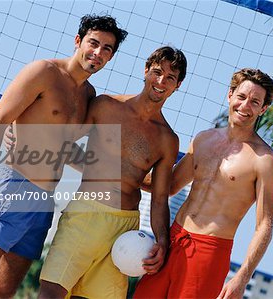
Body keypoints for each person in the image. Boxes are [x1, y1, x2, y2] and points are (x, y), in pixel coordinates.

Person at [0, 14, 127, 299]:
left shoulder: (89, 94)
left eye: (107, 49)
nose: (98, 52)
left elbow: (64, 148)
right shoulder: (43, 72)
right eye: (94, 43)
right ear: (78, 41)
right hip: (14, 184)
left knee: (2, 291)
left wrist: (120, 173)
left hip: (44, 202)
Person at [37, 46, 187, 299]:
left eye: (170, 78)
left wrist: (162, 241)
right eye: (157, 72)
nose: (161, 82)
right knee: (51, 293)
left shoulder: (167, 139)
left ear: (178, 85)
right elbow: (64, 141)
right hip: (86, 213)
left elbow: (160, 199)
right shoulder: (106, 105)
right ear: (146, 71)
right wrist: (22, 132)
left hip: (126, 228)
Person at [133, 68, 273, 299]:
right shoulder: (204, 139)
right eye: (241, 97)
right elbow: (169, 185)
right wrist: (119, 170)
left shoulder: (265, 160)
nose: (245, 106)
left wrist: (242, 277)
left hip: (209, 253)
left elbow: (265, 225)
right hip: (172, 242)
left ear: (263, 109)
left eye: (254, 102)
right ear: (230, 94)